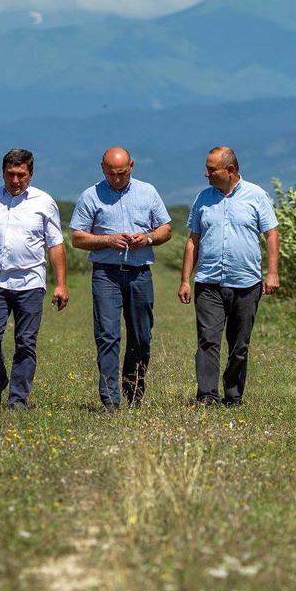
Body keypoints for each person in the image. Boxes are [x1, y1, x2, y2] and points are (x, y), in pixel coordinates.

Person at [0, 149, 69, 410]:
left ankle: (18, 399)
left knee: (26, 342)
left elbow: (55, 245)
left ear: (31, 174)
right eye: (10, 174)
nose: (15, 180)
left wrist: (61, 283)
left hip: (30, 282)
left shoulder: (44, 202)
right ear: (3, 173)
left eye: (21, 175)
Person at [70, 147, 172, 411]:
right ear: (102, 168)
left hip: (139, 273)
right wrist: (108, 240)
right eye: (111, 173)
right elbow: (77, 238)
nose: (117, 178)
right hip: (106, 274)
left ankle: (134, 388)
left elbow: (166, 230)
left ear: (132, 167)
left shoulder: (148, 192)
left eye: (122, 173)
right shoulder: (90, 196)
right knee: (107, 335)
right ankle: (110, 398)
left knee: (141, 335)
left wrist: (146, 238)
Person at [178, 146, 280, 407]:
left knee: (239, 345)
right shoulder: (203, 198)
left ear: (230, 170)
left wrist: (272, 273)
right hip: (209, 282)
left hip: (246, 283)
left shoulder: (256, 196)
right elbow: (193, 241)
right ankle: (207, 396)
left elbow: (271, 235)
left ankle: (233, 396)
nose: (206, 174)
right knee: (207, 340)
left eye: (211, 169)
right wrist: (185, 280)